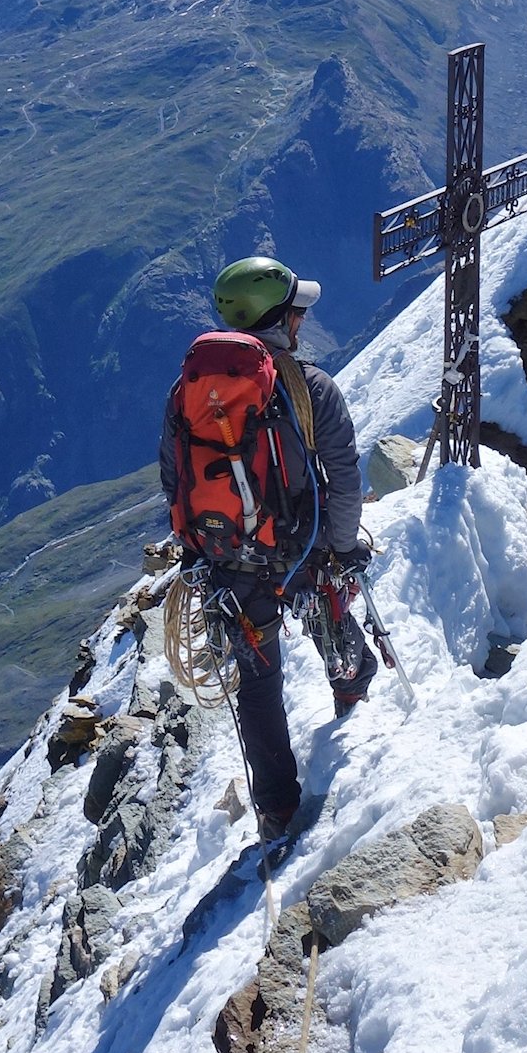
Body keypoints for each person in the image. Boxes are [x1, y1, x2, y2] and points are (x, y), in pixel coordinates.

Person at [160, 256, 376, 842]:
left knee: (257, 687)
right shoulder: (310, 389)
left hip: (229, 565)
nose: (302, 319)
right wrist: (342, 550)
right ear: (280, 319)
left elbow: (173, 478)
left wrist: (202, 552)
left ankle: (277, 807)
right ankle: (354, 701)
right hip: (303, 554)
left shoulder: (188, 393)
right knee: (334, 627)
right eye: (295, 311)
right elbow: (344, 476)